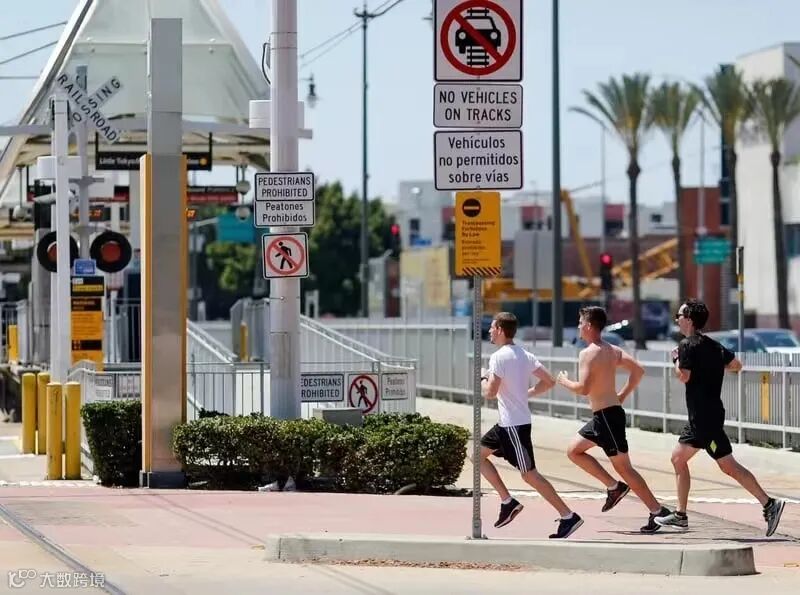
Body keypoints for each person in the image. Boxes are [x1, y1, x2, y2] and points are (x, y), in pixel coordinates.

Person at [654, 299, 785, 536]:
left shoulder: (685, 345)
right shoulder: (713, 345)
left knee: (728, 466)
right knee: (678, 458)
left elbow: (683, 375)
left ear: (689, 319)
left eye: (679, 315)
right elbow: (736, 365)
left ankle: (769, 504)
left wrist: (675, 359)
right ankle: (681, 516)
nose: (677, 320)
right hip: (704, 416)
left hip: (705, 418)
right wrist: (709, 368)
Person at [556, 307, 673, 533]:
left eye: (580, 322)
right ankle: (613, 487)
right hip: (604, 416)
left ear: (589, 326)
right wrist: (622, 396)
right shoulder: (612, 350)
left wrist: (564, 381)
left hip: (607, 418)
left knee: (625, 468)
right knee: (574, 451)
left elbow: (583, 389)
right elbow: (638, 370)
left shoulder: (588, 353)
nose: (578, 326)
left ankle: (658, 511)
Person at [479, 312, 584, 539]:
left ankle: (568, 516)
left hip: (514, 426)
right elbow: (549, 381)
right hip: (507, 424)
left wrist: (483, 378)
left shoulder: (498, 357)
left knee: (529, 475)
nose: (489, 331)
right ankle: (507, 502)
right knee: (477, 456)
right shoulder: (524, 354)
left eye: (492, 327)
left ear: (500, 329)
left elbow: (489, 393)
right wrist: (525, 394)